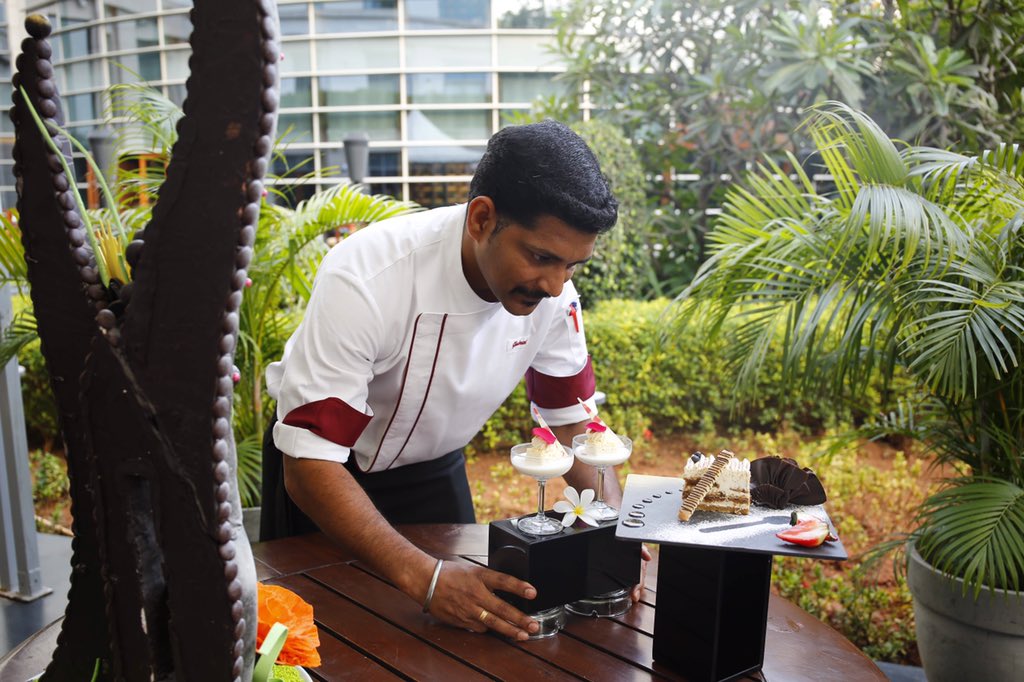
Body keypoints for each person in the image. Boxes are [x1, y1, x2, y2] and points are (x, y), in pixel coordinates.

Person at [262, 119, 648, 641]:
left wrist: (613, 527)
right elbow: (308, 463)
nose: (556, 286)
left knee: (455, 646)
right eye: (541, 258)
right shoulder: (366, 276)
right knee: (324, 643)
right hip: (329, 479)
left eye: (573, 266)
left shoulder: (556, 300)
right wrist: (426, 579)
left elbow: (573, 424)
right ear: (482, 219)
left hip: (436, 474)